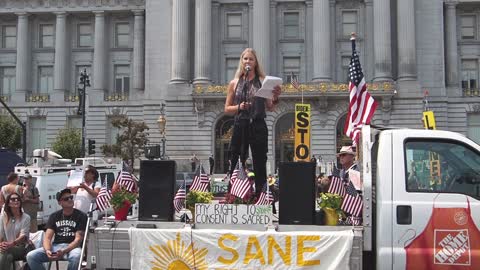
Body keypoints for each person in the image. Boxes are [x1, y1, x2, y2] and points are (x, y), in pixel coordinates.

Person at [224, 48, 281, 198]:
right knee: (236, 158)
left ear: (255, 63)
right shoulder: (234, 83)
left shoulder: (263, 81)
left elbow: (270, 107)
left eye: (251, 59)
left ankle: (261, 195)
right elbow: (227, 109)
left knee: (259, 160)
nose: (248, 61)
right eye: (245, 59)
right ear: (241, 62)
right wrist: (239, 107)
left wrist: (275, 97)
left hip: (258, 124)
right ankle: (234, 194)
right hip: (240, 123)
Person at [26, 188, 87, 270]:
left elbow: (78, 240)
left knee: (76, 256)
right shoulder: (54, 216)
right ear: (60, 203)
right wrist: (47, 250)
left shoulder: (81, 216)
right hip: (56, 246)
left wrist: (64, 251)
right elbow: (47, 238)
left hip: (72, 248)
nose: (69, 200)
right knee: (31, 256)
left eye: (71, 197)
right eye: (66, 199)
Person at [0, 193, 31, 269]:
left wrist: (12, 244)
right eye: (13, 199)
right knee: (8, 257)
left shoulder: (26, 217)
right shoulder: (3, 217)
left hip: (21, 247)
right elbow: (0, 233)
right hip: (7, 248)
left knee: (4, 251)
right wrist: (1, 243)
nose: (16, 200)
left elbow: (23, 236)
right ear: (8, 203)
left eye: (18, 199)